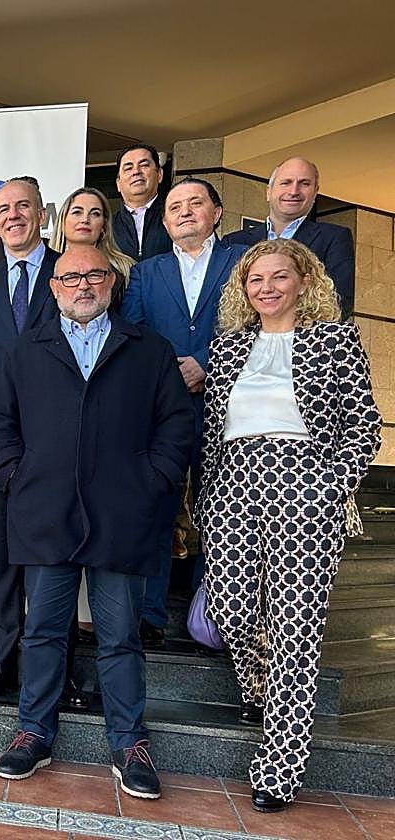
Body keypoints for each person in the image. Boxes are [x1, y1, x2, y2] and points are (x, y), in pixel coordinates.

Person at [0, 245, 195, 800]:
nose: (83, 284)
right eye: (70, 276)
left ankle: (129, 743)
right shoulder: (27, 349)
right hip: (45, 512)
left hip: (122, 514)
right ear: (53, 287)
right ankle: (34, 732)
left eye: (94, 274)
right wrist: (16, 474)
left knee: (121, 636)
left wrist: (156, 479)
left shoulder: (148, 349)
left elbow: (177, 424)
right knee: (43, 632)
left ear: (112, 283)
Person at [197, 239, 381, 813]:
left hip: (306, 485)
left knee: (295, 627)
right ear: (243, 289)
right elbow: (212, 428)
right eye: (256, 280)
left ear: (304, 280)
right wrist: (205, 500)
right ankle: (261, 687)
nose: (267, 288)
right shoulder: (228, 346)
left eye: (280, 277)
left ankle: (277, 768)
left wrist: (332, 485)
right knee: (230, 610)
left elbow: (365, 426)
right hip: (234, 485)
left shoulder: (335, 340)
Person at [122, 177, 247, 649]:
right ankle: (150, 612)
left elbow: (252, 322)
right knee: (158, 508)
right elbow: (133, 332)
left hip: (226, 407)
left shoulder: (241, 263)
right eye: (175, 206)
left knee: (221, 514)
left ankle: (212, 614)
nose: (185, 211)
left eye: (196, 203)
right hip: (164, 406)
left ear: (217, 213)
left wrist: (207, 362)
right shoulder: (146, 272)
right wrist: (171, 371)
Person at [0, 178, 64, 703]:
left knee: (52, 561)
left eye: (23, 206)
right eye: (3, 209)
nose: (13, 216)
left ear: (42, 213)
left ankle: (54, 670)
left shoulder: (69, 272)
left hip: (59, 443)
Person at [223, 157, 355, 315]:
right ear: (269, 192)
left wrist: (283, 326)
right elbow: (223, 299)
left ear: (314, 193)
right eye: (286, 182)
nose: (294, 191)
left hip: (305, 336)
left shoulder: (334, 237)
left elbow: (340, 301)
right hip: (245, 335)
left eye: (304, 184)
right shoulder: (234, 241)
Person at [50, 187, 135, 310]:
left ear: (103, 226)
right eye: (77, 212)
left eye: (95, 214)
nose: (85, 220)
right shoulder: (42, 266)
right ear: (62, 220)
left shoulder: (127, 269)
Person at [111, 144, 171, 262]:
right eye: (128, 168)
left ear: (159, 174)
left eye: (144, 165)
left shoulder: (178, 217)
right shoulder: (106, 226)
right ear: (118, 183)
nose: (136, 172)